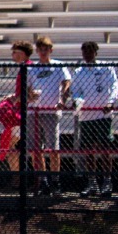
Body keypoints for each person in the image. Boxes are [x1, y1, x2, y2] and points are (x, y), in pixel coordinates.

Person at [69, 41, 118, 197]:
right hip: (87, 115)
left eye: (90, 51)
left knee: (105, 149)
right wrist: (77, 101)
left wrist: (111, 102)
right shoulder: (79, 71)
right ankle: (93, 183)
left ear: (96, 52)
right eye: (85, 52)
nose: (87, 55)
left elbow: (114, 85)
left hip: (103, 114)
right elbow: (75, 91)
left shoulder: (106, 67)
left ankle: (107, 182)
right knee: (89, 150)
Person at [27, 36, 72, 192]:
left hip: (51, 111)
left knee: (53, 148)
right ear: (37, 51)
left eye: (46, 49)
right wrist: (30, 94)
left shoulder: (58, 66)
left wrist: (62, 99)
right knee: (36, 149)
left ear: (50, 50)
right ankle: (42, 179)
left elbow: (67, 82)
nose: (43, 52)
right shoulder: (32, 68)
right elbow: (26, 88)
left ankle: (55, 180)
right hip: (35, 111)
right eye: (41, 49)